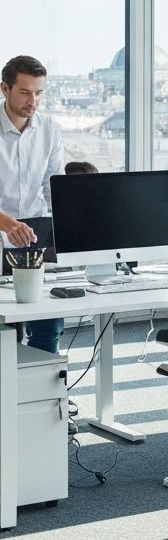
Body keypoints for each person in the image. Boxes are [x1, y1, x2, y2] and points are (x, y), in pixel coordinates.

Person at [0, 55, 65, 354]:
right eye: (25, 92)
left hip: (36, 233)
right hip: (2, 229)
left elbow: (55, 185)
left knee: (47, 325)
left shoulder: (49, 128)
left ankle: (45, 399)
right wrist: (8, 223)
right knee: (6, 328)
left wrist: (68, 226)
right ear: (5, 88)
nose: (33, 101)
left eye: (39, 93)